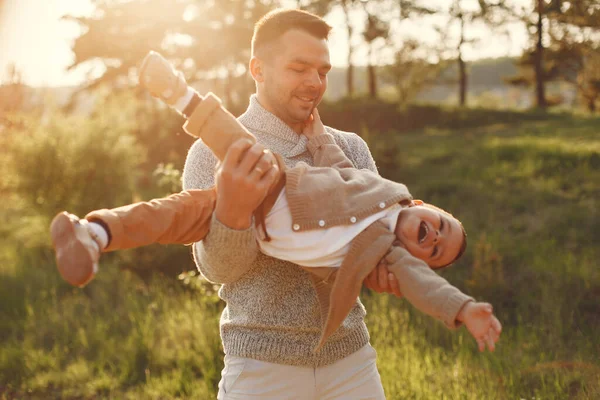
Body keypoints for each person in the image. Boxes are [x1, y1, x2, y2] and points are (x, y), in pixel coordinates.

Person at [51, 9, 498, 399]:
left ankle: (98, 230)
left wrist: (399, 280)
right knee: (179, 211)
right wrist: (233, 211)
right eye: (299, 68)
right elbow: (220, 271)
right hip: (261, 368)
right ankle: (95, 233)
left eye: (322, 71)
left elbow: (385, 257)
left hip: (350, 361)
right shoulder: (209, 155)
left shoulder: (352, 148)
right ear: (258, 68)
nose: (314, 82)